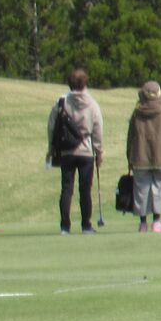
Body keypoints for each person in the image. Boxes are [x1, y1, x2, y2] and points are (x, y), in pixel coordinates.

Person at [48, 69, 104, 234]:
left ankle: (65, 226)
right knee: (85, 189)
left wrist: (51, 148)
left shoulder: (61, 102)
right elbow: (98, 129)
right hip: (86, 151)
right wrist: (99, 152)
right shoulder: (93, 104)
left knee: (66, 189)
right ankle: (86, 225)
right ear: (85, 83)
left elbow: (52, 126)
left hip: (66, 151)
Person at [124, 81, 161, 233]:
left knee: (141, 190)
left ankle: (143, 223)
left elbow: (130, 138)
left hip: (139, 157)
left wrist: (129, 158)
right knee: (159, 189)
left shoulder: (136, 113)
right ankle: (156, 222)